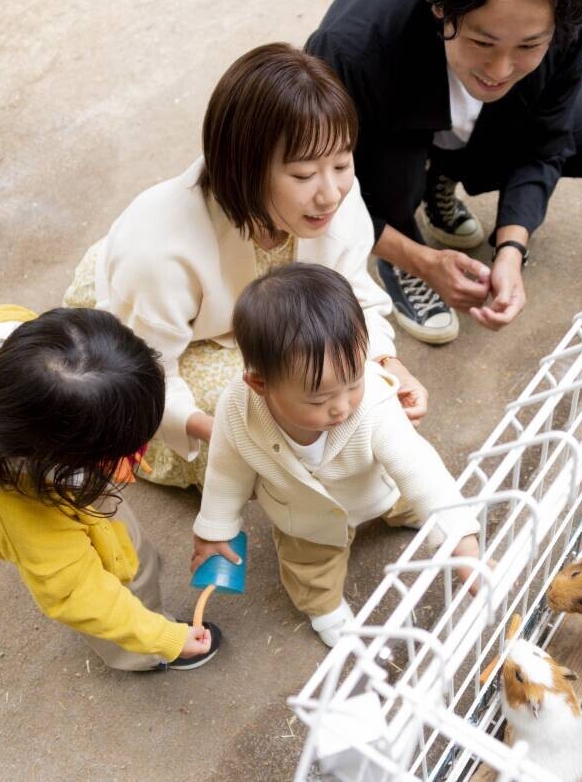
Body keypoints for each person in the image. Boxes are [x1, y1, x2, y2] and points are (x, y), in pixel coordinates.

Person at [64, 43, 426, 490]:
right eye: (303, 175)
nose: (331, 192)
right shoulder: (159, 249)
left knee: (336, 395)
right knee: (274, 416)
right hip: (152, 330)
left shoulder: (329, 201)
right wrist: (211, 429)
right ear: (242, 168)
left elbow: (351, 293)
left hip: (252, 321)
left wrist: (389, 364)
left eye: (342, 163)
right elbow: (145, 368)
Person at [307, 0, 582, 344]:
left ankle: (440, 177)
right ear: (441, 8)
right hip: (386, 121)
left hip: (468, 122)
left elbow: (545, 143)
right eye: (482, 42)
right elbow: (313, 188)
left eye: (529, 45)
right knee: (386, 186)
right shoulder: (351, 46)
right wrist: (423, 262)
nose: (500, 69)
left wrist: (511, 250)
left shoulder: (568, 23)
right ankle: (401, 249)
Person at [0, 305, 220, 671]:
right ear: (70, 460)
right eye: (125, 448)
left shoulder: (16, 340)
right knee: (116, 579)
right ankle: (140, 656)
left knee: (125, 551)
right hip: (36, 500)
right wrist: (164, 639)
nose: (139, 452)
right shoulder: (25, 511)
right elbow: (75, 591)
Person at [190, 264, 483, 646]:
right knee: (309, 568)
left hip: (376, 486)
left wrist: (461, 541)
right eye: (319, 398)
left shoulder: (374, 402)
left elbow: (419, 467)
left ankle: (420, 520)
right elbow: (226, 470)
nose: (341, 407)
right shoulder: (237, 409)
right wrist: (215, 529)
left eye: (353, 383)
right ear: (260, 384)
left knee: (410, 499)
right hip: (302, 516)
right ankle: (324, 609)